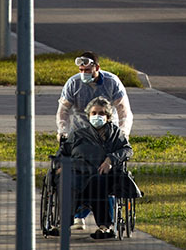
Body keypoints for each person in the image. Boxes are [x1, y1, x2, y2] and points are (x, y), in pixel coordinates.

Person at [56, 51, 133, 229]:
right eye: (81, 70)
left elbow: (123, 110)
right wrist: (63, 131)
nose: (84, 73)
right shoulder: (73, 83)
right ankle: (74, 217)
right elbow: (63, 110)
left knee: (101, 178)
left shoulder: (112, 83)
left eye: (87, 70)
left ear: (96, 68)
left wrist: (122, 133)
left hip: (107, 134)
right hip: (80, 132)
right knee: (76, 174)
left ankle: (105, 224)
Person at [57, 96, 135, 240]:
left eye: (101, 113)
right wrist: (60, 165)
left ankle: (105, 227)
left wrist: (110, 159)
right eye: (94, 113)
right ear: (88, 115)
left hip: (101, 175)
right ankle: (64, 223)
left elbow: (127, 150)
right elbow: (63, 152)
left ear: (108, 116)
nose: (97, 116)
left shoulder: (115, 134)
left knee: (98, 182)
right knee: (67, 180)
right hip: (78, 172)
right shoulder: (78, 134)